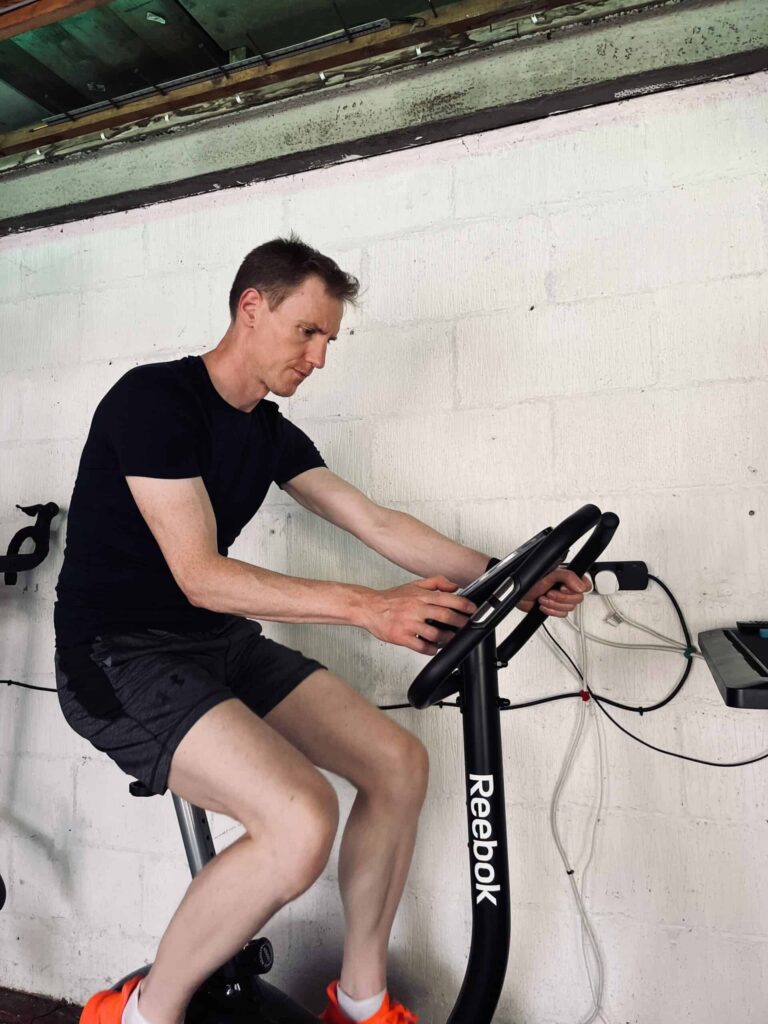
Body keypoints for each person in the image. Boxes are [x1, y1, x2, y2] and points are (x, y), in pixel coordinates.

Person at [54, 235, 588, 1024]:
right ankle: (139, 1014)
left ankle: (362, 1003)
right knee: (300, 819)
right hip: (118, 658)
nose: (320, 357)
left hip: (213, 646)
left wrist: (510, 572)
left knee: (398, 763)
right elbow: (199, 574)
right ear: (251, 307)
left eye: (329, 340)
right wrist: (370, 608)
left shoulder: (267, 432)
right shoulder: (153, 401)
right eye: (307, 332)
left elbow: (372, 520)